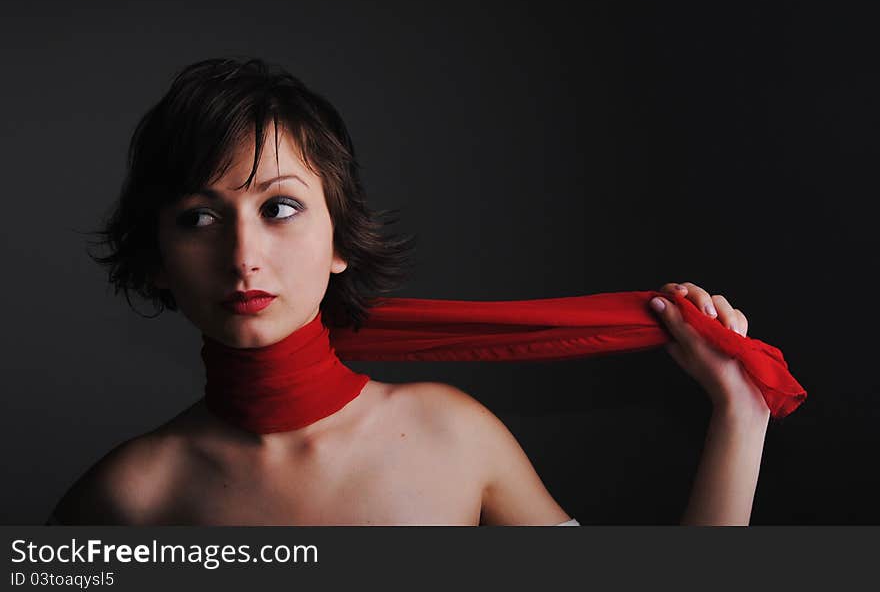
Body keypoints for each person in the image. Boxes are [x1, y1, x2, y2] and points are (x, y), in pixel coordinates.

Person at [48, 58, 771, 526]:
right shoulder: (129, 497)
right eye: (200, 217)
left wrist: (740, 414)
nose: (244, 255)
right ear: (157, 260)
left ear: (340, 243)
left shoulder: (452, 436)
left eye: (280, 206)